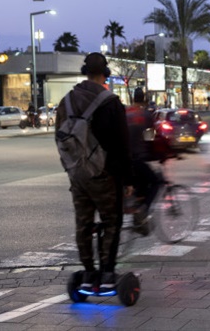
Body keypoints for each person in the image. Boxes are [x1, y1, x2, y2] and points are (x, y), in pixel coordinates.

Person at [55, 52, 133, 292]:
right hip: (104, 176)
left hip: (77, 176)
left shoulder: (66, 101)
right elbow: (121, 145)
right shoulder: (110, 102)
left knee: (84, 223)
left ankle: (88, 272)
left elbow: (59, 137)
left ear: (84, 71)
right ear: (105, 73)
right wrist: (127, 179)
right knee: (112, 221)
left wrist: (71, 168)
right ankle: (107, 272)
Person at [125, 87, 162, 233]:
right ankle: (142, 211)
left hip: (123, 159)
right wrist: (156, 155)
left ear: (133, 98)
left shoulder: (125, 113)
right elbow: (150, 139)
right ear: (144, 99)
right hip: (138, 158)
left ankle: (136, 212)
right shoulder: (146, 115)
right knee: (155, 182)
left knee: (139, 184)